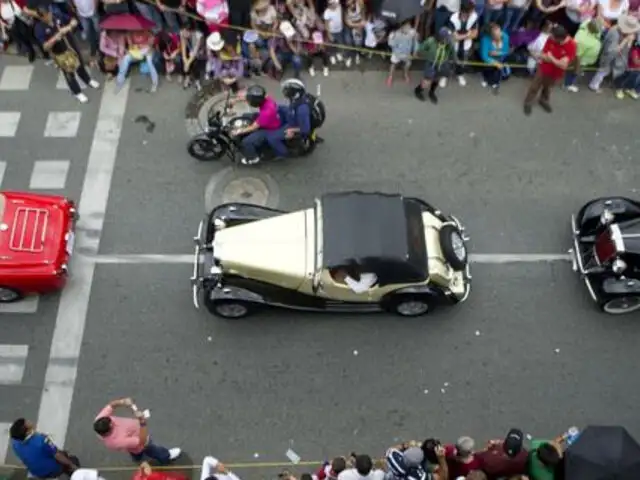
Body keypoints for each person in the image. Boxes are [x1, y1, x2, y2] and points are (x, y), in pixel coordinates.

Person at [32, 5, 100, 103]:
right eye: (46, 16)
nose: (49, 16)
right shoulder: (39, 28)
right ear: (41, 17)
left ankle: (87, 80)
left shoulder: (57, 16)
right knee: (69, 73)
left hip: (70, 45)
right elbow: (45, 47)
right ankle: (77, 92)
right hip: (59, 53)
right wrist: (55, 38)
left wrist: (70, 26)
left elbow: (73, 20)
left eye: (49, 14)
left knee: (80, 63)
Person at [93, 397, 182, 465]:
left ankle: (137, 458)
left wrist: (123, 401)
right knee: (152, 449)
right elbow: (142, 441)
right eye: (111, 425)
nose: (113, 422)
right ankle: (166, 456)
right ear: (107, 432)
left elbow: (110, 405)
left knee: (134, 452)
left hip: (132, 444)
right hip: (141, 442)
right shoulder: (117, 441)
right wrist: (142, 421)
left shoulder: (100, 420)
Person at [523, 24, 576, 115]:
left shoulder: (571, 45)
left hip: (555, 72)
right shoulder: (550, 39)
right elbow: (543, 55)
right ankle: (528, 102)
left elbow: (563, 65)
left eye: (552, 36)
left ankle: (543, 100)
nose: (549, 37)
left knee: (548, 88)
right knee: (534, 86)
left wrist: (551, 57)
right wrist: (556, 61)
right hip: (543, 68)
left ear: (559, 39)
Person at [9, 417, 80, 478]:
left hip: (36, 472)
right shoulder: (41, 440)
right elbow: (57, 455)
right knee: (72, 460)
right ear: (27, 433)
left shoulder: (15, 443)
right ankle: (75, 474)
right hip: (52, 469)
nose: (29, 421)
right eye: (27, 423)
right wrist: (71, 465)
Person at [230, 84, 283, 165]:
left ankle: (253, 158)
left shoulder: (267, 112)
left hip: (270, 129)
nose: (248, 102)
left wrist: (239, 131)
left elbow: (253, 127)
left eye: (250, 102)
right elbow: (250, 97)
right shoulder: (265, 97)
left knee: (246, 142)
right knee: (246, 116)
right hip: (270, 119)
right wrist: (236, 100)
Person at [588, 14, 639, 93]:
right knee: (603, 71)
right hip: (608, 57)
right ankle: (593, 85)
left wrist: (628, 41)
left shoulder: (620, 29)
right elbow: (612, 51)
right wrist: (625, 40)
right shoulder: (614, 33)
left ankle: (611, 81)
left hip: (617, 57)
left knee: (615, 69)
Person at [266, 78, 312, 157]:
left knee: (272, 138)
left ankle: (283, 153)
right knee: (279, 107)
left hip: (293, 125)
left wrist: (291, 130)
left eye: (287, 90)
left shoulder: (302, 109)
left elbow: (305, 129)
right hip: (292, 117)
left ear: (295, 93)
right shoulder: (296, 99)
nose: (285, 92)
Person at [414, 27, 456, 104]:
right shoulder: (430, 41)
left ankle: (432, 93)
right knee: (427, 81)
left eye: (448, 38)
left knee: (436, 79)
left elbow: (453, 53)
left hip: (442, 63)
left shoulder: (449, 43)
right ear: (439, 37)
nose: (447, 40)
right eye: (445, 38)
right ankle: (418, 91)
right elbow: (420, 50)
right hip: (431, 63)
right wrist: (428, 56)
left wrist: (455, 61)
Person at [446, 0, 479, 87]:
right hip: (454, 46)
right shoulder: (453, 18)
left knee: (463, 61)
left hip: (466, 46)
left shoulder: (474, 17)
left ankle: (459, 74)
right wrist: (468, 34)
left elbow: (475, 34)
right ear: (463, 11)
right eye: (471, 10)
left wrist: (463, 36)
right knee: (449, 60)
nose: (473, 12)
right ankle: (445, 76)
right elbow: (455, 37)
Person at [563, 18, 602, 91]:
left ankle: (570, 81)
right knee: (572, 71)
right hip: (580, 60)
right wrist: (577, 69)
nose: (599, 30)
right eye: (598, 29)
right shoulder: (582, 40)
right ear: (592, 28)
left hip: (584, 58)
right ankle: (567, 85)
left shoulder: (586, 24)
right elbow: (577, 56)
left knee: (574, 70)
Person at [479, 22, 510, 94]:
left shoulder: (505, 36)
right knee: (487, 70)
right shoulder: (485, 39)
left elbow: (506, 51)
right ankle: (485, 79)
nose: (500, 35)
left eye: (500, 32)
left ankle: (494, 81)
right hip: (489, 59)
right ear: (491, 36)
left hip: (500, 58)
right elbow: (484, 56)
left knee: (498, 72)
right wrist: (495, 63)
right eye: (497, 35)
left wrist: (496, 53)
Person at [386, 18, 418, 86]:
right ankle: (390, 76)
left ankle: (405, 73)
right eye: (406, 26)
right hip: (396, 53)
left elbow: (416, 43)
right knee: (393, 64)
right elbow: (391, 44)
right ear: (401, 26)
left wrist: (415, 51)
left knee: (408, 64)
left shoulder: (413, 33)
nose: (408, 28)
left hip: (407, 54)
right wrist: (390, 38)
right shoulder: (396, 34)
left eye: (409, 26)